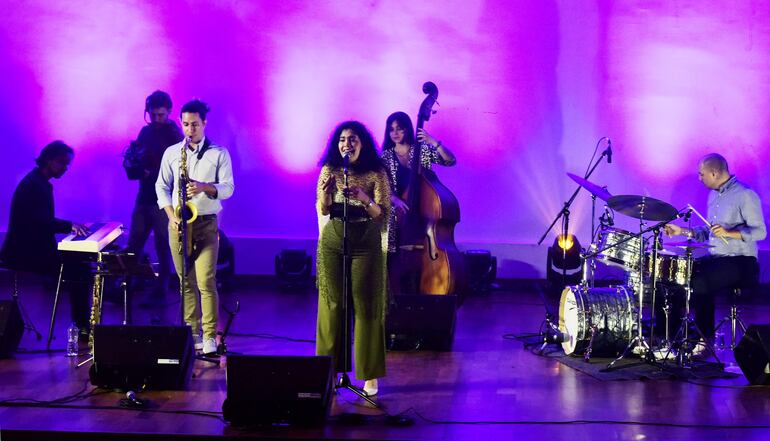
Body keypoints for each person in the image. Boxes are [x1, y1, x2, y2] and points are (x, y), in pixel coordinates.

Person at [316, 120, 390, 396]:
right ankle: (330, 371)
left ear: (363, 143)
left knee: (366, 305)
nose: (346, 144)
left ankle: (369, 375)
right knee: (333, 305)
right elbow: (324, 210)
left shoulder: (377, 171)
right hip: (334, 238)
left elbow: (382, 214)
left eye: (352, 139)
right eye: (342, 140)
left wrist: (362, 196)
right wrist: (326, 194)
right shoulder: (330, 169)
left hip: (365, 240)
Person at [156, 99, 234, 355]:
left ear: (205, 123)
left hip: (207, 223)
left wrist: (204, 187)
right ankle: (192, 333)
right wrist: (171, 216)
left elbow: (228, 189)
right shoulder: (172, 153)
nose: (190, 129)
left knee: (206, 281)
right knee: (185, 282)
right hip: (179, 223)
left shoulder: (219, 153)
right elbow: (162, 187)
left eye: (195, 124)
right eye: (186, 124)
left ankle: (211, 336)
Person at [664, 153, 766, 348]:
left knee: (700, 284)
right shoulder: (714, 196)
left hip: (741, 261)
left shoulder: (745, 194)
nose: (699, 178)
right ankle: (670, 340)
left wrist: (729, 232)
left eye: (702, 174)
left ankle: (705, 339)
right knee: (677, 278)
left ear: (714, 173)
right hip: (718, 258)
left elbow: (760, 232)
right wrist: (681, 231)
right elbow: (708, 231)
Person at [0, 141, 91, 334]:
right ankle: (82, 326)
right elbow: (40, 221)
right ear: (49, 160)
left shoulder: (36, 181)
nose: (65, 168)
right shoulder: (36, 185)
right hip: (24, 254)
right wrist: (69, 226)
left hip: (27, 249)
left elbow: (41, 222)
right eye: (62, 163)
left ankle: (82, 324)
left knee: (79, 265)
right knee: (80, 269)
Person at [380, 111, 457, 293]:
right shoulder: (385, 156)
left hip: (424, 214)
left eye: (400, 128)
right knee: (393, 261)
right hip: (398, 218)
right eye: (391, 129)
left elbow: (450, 161)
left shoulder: (420, 150)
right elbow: (381, 185)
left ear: (408, 129)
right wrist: (393, 198)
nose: (395, 133)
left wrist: (434, 143)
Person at [124, 90, 184, 303]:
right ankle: (130, 283)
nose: (157, 119)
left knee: (162, 242)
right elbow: (137, 158)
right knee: (135, 241)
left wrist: (156, 169)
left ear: (168, 112)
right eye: (153, 115)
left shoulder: (174, 135)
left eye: (160, 115)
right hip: (145, 194)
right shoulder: (145, 132)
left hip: (164, 197)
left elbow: (179, 166)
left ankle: (162, 288)